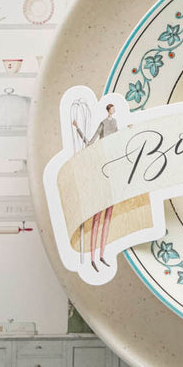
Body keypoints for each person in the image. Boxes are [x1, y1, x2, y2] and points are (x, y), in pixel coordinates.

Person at [72, 102, 119, 268]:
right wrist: (77, 128)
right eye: (112, 108)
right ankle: (93, 257)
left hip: (112, 169)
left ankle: (101, 255)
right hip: (101, 168)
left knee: (107, 217)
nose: (114, 111)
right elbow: (89, 142)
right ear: (109, 110)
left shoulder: (114, 124)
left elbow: (119, 141)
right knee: (98, 217)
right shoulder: (104, 124)